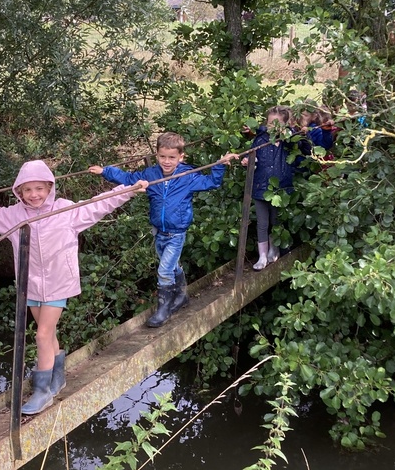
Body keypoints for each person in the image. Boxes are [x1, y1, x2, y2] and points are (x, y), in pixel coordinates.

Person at [0, 161, 146, 414]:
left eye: (40, 189)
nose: (34, 195)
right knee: (49, 334)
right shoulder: (13, 216)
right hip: (30, 284)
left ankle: (42, 391)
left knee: (42, 335)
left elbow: (98, 204)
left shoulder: (65, 211)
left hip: (58, 282)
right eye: (28, 190)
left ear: (50, 188)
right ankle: (58, 378)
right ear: (19, 192)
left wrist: (128, 190)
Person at [89, 133, 239, 328]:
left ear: (181, 157)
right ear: (157, 155)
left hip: (177, 233)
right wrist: (105, 171)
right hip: (158, 231)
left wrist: (219, 164)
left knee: (164, 270)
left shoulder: (187, 176)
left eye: (171, 157)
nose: (166, 162)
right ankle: (182, 295)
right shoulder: (151, 175)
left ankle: (163, 310)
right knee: (172, 266)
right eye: (162, 157)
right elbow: (128, 178)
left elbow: (211, 182)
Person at [244, 106, 309, 270]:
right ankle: (262, 256)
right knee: (262, 223)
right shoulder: (260, 139)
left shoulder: (289, 142)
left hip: (280, 189)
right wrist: (247, 160)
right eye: (270, 123)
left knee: (276, 221)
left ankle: (275, 249)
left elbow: (306, 150)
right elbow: (251, 153)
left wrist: (302, 134)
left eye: (277, 124)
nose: (272, 127)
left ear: (286, 125)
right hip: (260, 187)